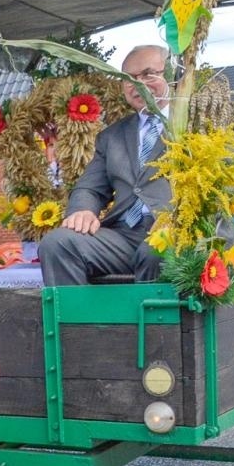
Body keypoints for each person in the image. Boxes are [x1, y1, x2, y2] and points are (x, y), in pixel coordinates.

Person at [39, 45, 172, 286]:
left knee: (155, 252)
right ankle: (79, 323)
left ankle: (152, 325)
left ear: (171, 75)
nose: (137, 84)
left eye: (148, 74)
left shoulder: (199, 124)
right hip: (123, 235)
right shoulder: (112, 136)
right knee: (56, 243)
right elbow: (89, 188)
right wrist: (83, 209)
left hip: (175, 231)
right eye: (128, 78)